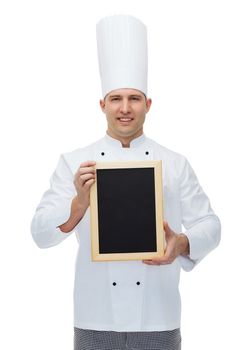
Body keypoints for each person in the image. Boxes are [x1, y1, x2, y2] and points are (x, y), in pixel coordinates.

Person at [31, 15, 221, 350]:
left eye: (134, 99)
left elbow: (211, 224)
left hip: (158, 317)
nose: (125, 108)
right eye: (116, 99)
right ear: (102, 104)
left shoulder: (174, 163)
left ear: (147, 105)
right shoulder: (75, 162)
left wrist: (183, 243)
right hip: (95, 318)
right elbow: (39, 233)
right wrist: (77, 206)